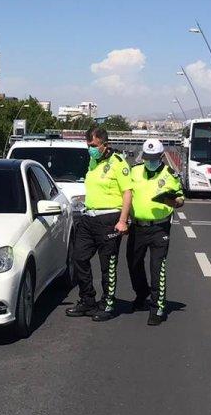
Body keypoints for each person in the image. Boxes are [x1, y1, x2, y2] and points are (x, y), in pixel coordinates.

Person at [66, 126, 132, 322]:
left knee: (108, 265)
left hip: (109, 218)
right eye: (88, 145)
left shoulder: (118, 163)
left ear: (105, 144)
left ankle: (107, 303)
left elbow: (127, 192)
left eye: (94, 145)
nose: (90, 149)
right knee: (79, 257)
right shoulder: (93, 161)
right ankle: (87, 299)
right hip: (89, 217)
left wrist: (123, 220)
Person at [127, 138, 184, 325]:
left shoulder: (170, 175)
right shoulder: (134, 172)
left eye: (153, 158)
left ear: (161, 157)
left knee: (156, 267)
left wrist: (173, 201)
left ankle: (157, 307)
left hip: (160, 227)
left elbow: (180, 200)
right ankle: (141, 294)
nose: (150, 162)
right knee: (134, 264)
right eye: (147, 158)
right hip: (137, 226)